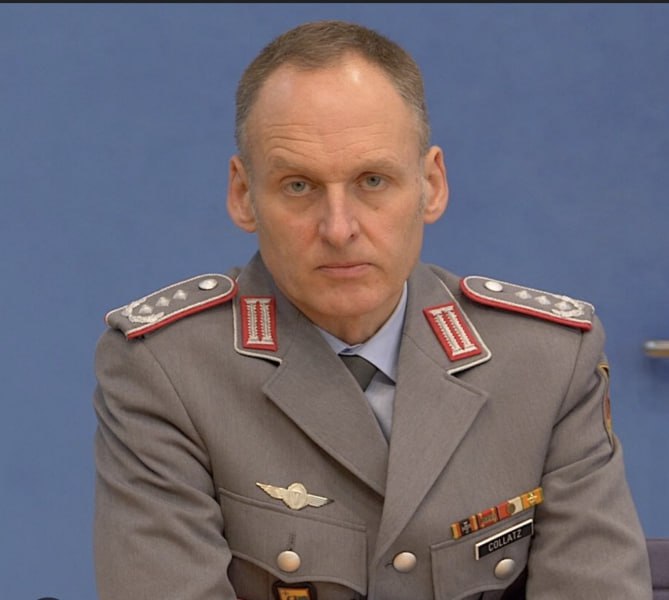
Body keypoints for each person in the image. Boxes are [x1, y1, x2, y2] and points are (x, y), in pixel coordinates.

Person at [92, 19, 653, 600]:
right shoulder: (169, 371)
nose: (339, 229)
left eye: (373, 180)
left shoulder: (546, 362)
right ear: (243, 195)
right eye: (299, 186)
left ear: (431, 184)